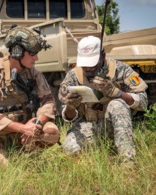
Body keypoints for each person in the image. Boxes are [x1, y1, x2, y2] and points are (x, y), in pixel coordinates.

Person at [0, 26, 60, 169]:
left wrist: (36, 125)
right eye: (32, 53)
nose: (36, 58)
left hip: (21, 131)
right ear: (17, 52)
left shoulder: (33, 73)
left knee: (52, 132)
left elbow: (48, 101)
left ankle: (27, 154)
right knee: (0, 168)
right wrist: (24, 129)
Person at [58, 36, 148, 165]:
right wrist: (70, 107)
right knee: (69, 149)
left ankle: (128, 161)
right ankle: (101, 150)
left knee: (117, 104)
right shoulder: (73, 76)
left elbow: (143, 102)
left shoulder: (121, 70)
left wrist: (117, 93)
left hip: (114, 126)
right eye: (85, 64)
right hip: (87, 126)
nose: (88, 68)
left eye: (92, 63)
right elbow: (68, 117)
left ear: (103, 55)